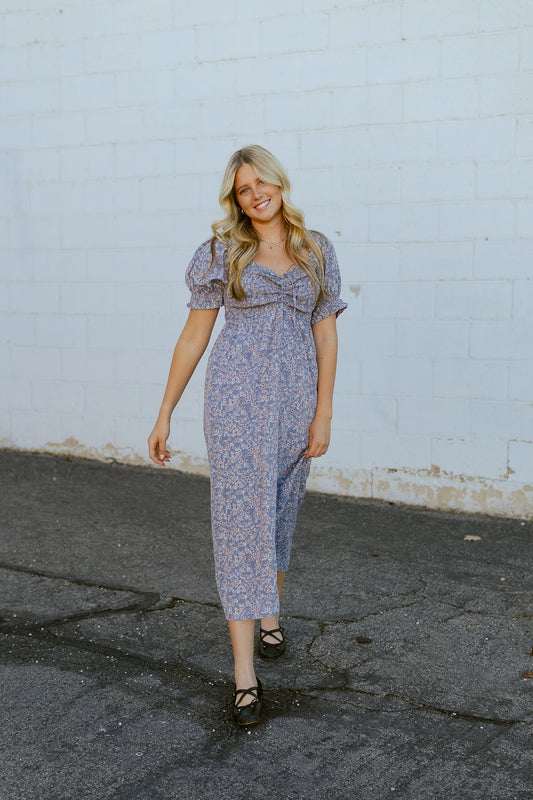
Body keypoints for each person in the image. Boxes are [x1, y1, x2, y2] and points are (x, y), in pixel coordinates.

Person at [148, 144, 346, 726]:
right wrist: (164, 413)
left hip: (296, 411)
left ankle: (270, 614)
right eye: (243, 189)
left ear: (281, 184)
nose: (256, 194)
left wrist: (324, 413)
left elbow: (327, 337)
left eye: (263, 183)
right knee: (241, 527)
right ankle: (244, 677)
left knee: (279, 514)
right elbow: (193, 338)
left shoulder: (316, 250)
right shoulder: (222, 253)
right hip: (236, 409)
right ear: (235, 199)